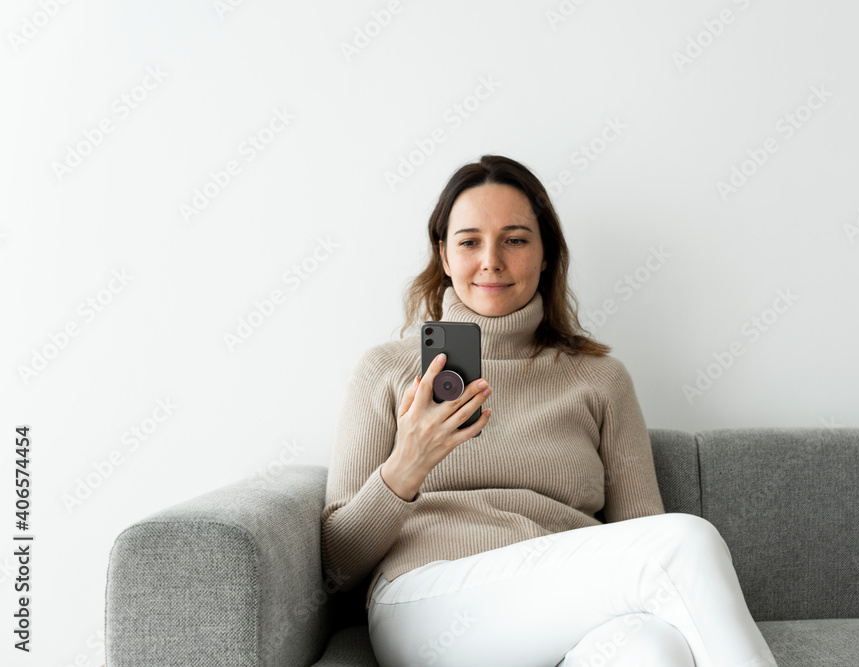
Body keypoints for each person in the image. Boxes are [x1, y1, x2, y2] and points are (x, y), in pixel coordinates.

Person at [321, 155, 778, 667]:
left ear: (545, 256)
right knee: (687, 542)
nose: (491, 260)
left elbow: (640, 534)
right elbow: (338, 565)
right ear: (444, 256)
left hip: (566, 613)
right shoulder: (386, 369)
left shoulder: (599, 379)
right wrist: (406, 465)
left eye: (515, 239)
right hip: (431, 608)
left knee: (656, 648)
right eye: (470, 241)